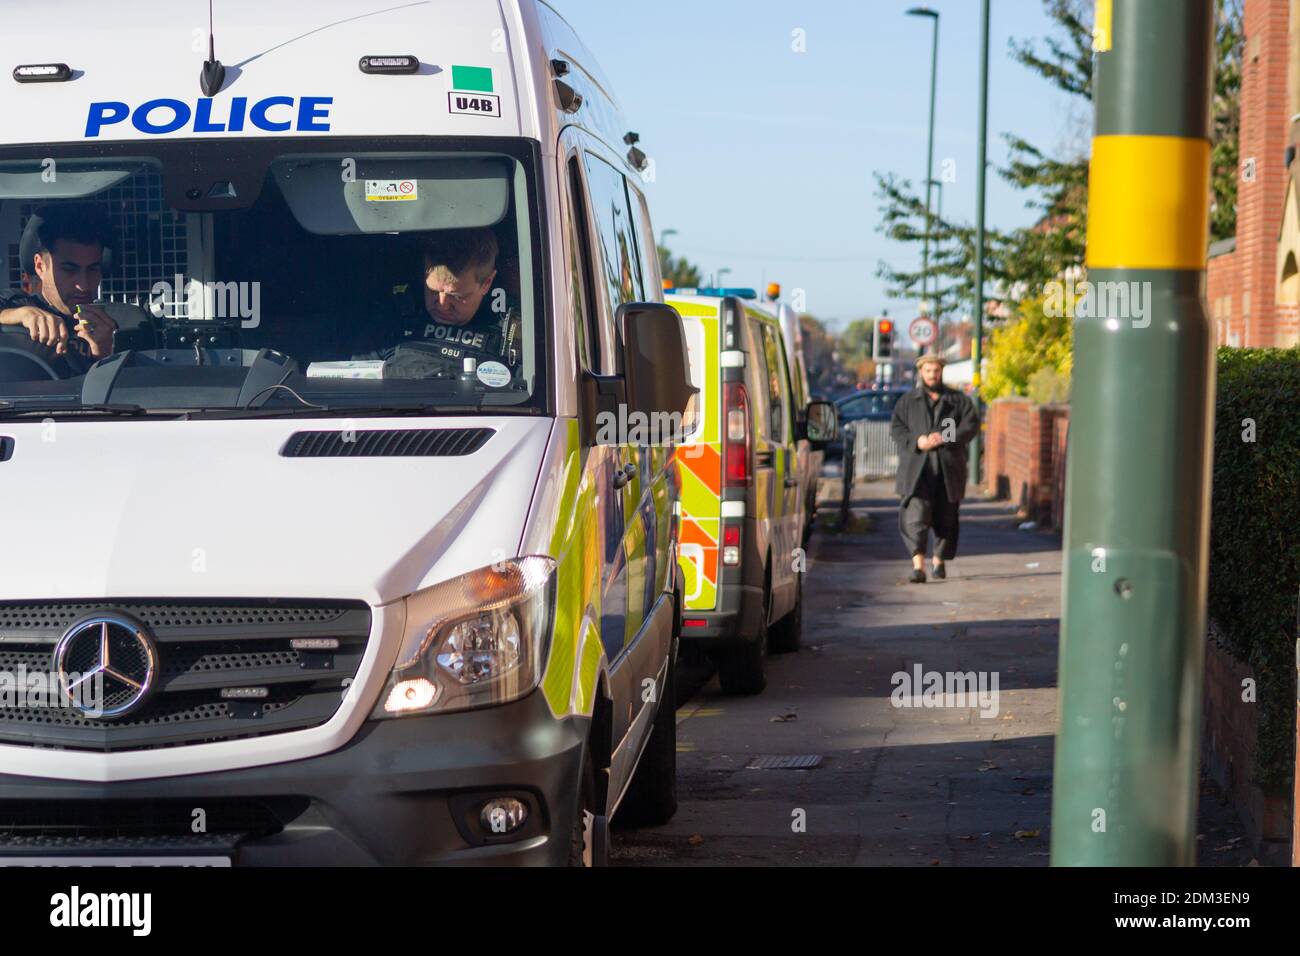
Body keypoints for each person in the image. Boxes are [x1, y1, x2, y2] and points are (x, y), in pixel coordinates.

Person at [352, 227, 521, 380]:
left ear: (486, 283)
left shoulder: (511, 330)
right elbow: (357, 377)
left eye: (456, 296)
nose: (442, 305)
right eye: (432, 291)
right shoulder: (396, 314)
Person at [890, 353, 981, 583]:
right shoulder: (908, 401)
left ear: (941, 372)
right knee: (915, 516)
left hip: (948, 469)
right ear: (921, 372)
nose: (932, 375)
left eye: (936, 371)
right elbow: (897, 428)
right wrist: (917, 441)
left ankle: (938, 561)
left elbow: (970, 425)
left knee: (945, 518)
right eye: (928, 371)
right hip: (916, 470)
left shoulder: (957, 400)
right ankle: (918, 566)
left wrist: (946, 437)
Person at [0, 205, 118, 372]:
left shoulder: (113, 325)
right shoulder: (17, 304)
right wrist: (15, 315)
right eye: (69, 269)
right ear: (40, 266)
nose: (83, 285)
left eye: (92, 269)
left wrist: (107, 356)